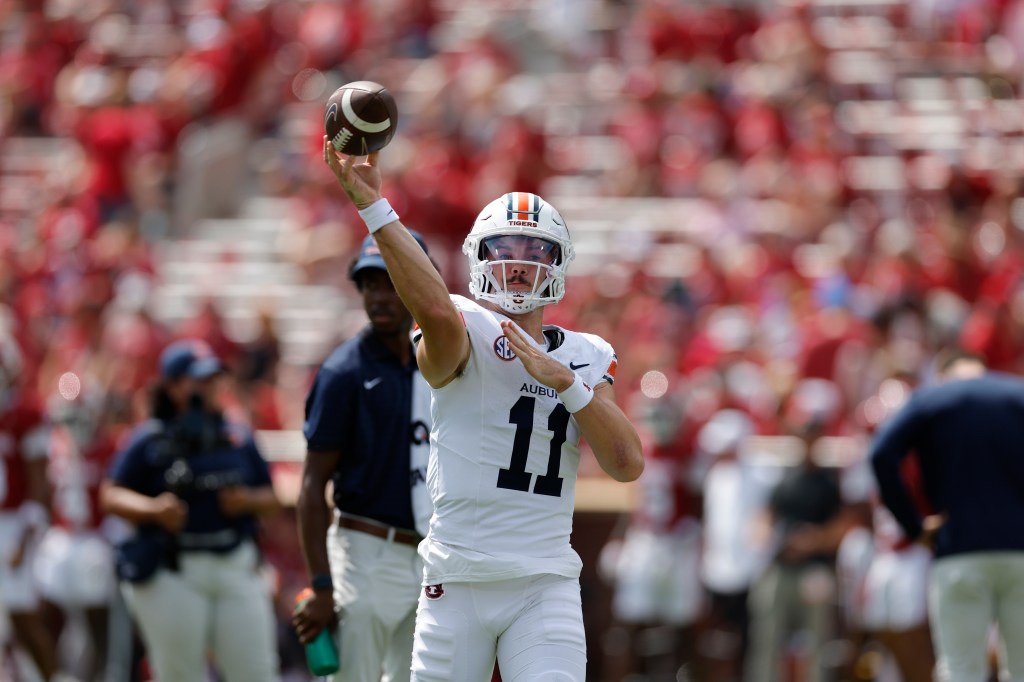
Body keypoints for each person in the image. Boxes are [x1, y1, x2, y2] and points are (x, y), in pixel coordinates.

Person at [322, 141, 645, 682]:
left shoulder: (585, 355)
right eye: (504, 247)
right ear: (478, 257)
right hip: (456, 578)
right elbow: (433, 311)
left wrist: (566, 383)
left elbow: (626, 462)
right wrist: (375, 208)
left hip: (544, 581)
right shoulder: (463, 324)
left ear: (558, 263)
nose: (518, 263)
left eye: (535, 249)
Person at [292, 232, 433, 682]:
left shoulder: (444, 361)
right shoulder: (342, 372)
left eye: (390, 281)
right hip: (365, 553)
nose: (378, 295)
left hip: (431, 556)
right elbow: (313, 485)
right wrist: (320, 584)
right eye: (370, 284)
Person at [100, 339, 281, 682]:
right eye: (198, 379)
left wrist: (246, 500)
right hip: (174, 568)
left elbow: (272, 497)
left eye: (214, 378)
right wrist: (154, 510)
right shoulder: (151, 438)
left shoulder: (237, 435)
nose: (210, 387)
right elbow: (111, 494)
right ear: (171, 386)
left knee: (257, 673)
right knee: (181, 676)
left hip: (234, 564)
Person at [870, 348, 1024, 682]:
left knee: (961, 671)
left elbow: (881, 454)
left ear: (942, 374)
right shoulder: (1017, 394)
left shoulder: (931, 399)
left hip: (959, 549)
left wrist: (914, 527)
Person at [0, 332, 59, 681]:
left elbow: (40, 482)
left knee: (23, 616)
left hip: (14, 523)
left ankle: (51, 677)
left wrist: (26, 534)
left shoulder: (26, 412)